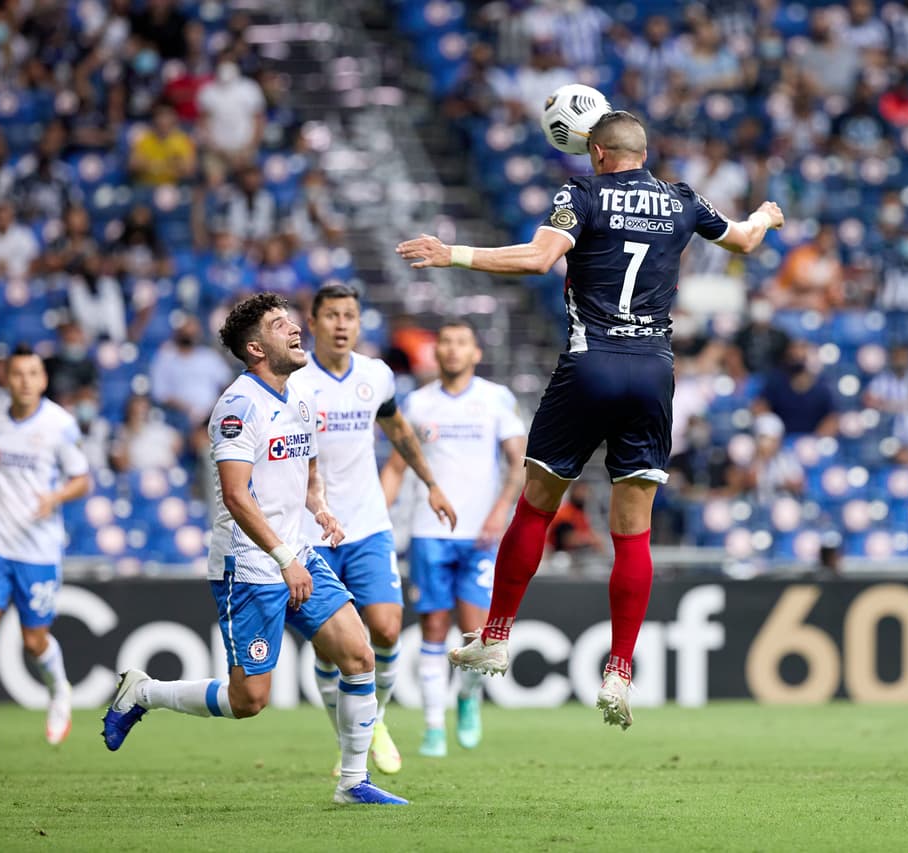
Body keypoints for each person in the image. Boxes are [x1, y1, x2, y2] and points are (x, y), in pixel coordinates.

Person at [396, 110, 783, 729]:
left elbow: (537, 259)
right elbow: (742, 240)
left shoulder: (581, 194)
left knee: (536, 507)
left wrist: (453, 254)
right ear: (642, 153)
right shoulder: (682, 200)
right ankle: (620, 669)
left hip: (591, 364)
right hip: (652, 373)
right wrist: (765, 215)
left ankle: (496, 636)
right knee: (633, 533)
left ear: (598, 153)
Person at [100, 293, 407, 806]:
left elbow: (308, 468)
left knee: (358, 654)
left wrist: (319, 507)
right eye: (279, 325)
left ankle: (353, 783)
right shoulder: (238, 407)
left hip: (297, 552)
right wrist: (284, 559)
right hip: (248, 567)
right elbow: (236, 495)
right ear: (256, 348)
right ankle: (145, 692)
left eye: (291, 320)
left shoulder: (300, 396)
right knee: (249, 700)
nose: (295, 329)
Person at [292, 284, 457, 776]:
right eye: (332, 315)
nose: (342, 324)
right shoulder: (294, 381)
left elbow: (398, 429)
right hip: (311, 531)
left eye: (350, 315)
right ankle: (351, 738)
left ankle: (375, 720)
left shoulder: (376, 375)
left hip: (367, 524)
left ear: (359, 323)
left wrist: (431, 483)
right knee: (331, 648)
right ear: (313, 322)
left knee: (385, 629)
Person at [381, 318, 526, 758]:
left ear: (475, 353)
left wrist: (501, 510)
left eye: (462, 342)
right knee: (432, 627)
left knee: (476, 633)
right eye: (445, 342)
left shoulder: (495, 398)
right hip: (429, 530)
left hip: (481, 532)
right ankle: (432, 727)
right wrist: (378, 513)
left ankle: (467, 698)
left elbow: (519, 460)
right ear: (437, 351)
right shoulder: (418, 403)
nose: (452, 349)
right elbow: (397, 465)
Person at [0, 345, 91, 748]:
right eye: (18, 374)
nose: (25, 382)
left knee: (34, 640)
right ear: (7, 379)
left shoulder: (59, 425)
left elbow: (82, 480)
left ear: (43, 379)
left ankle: (59, 691)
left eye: (33, 374)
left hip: (37, 549)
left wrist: (55, 498)